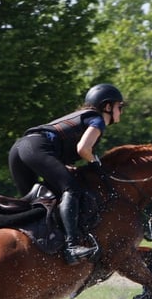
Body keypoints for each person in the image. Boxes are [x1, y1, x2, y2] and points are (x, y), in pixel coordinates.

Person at [8, 83, 125, 264]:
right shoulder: (97, 120)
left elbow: (61, 142)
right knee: (71, 190)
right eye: (120, 106)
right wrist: (96, 163)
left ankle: (31, 247)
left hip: (19, 148)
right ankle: (72, 247)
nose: (121, 111)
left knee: (33, 203)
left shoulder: (82, 117)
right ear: (107, 106)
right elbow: (83, 149)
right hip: (36, 147)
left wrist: (64, 165)